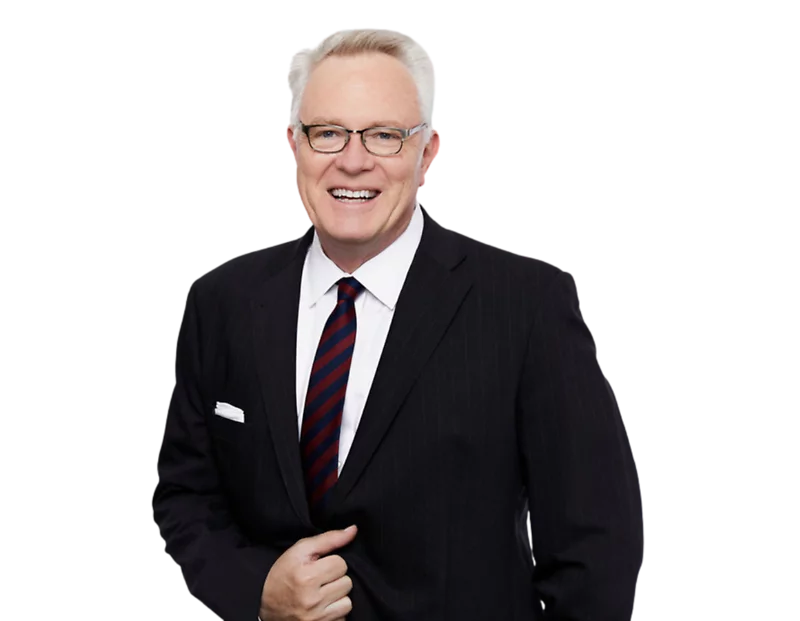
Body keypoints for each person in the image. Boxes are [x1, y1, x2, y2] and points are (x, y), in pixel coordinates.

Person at [154, 27, 644, 621]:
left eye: (384, 136)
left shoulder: (527, 305)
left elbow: (595, 550)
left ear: (428, 152)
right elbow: (186, 497)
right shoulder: (223, 302)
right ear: (294, 146)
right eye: (327, 132)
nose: (353, 161)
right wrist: (256, 589)